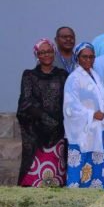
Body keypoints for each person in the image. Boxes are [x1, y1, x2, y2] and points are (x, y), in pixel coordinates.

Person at [16, 39, 69, 187]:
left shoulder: (62, 75)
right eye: (42, 52)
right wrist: (45, 118)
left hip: (58, 131)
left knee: (56, 173)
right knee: (35, 178)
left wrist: (56, 122)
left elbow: (68, 100)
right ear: (37, 55)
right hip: (36, 132)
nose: (46, 55)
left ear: (54, 53)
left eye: (49, 51)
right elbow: (25, 101)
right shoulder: (29, 75)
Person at [63, 42, 104, 189]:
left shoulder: (96, 76)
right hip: (81, 132)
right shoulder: (74, 78)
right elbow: (70, 107)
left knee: (99, 164)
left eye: (91, 57)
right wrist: (92, 114)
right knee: (80, 164)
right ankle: (76, 197)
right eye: (84, 57)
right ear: (77, 58)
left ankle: (98, 195)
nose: (88, 60)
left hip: (98, 129)